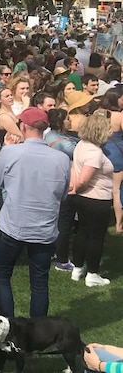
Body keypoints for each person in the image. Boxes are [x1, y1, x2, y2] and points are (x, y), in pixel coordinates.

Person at [0, 106, 70, 318]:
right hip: (43, 228)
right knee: (39, 282)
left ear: (24, 127)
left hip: (14, 225)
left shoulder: (11, 152)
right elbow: (63, 195)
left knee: (1, 275)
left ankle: (7, 330)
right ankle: (36, 334)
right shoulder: (61, 159)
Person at [69, 110, 115, 286]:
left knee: (82, 232)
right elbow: (84, 179)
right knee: (96, 237)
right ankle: (93, 273)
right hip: (97, 199)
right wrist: (77, 188)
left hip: (84, 199)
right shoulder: (94, 152)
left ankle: (78, 267)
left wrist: (76, 189)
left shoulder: (81, 144)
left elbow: (75, 168)